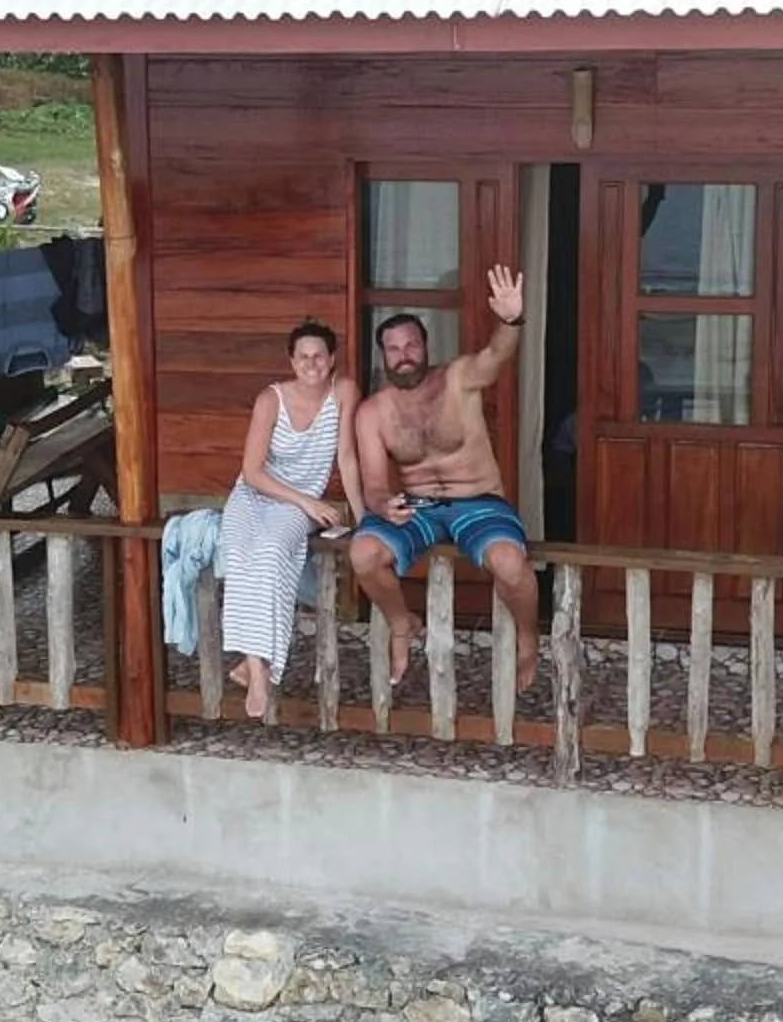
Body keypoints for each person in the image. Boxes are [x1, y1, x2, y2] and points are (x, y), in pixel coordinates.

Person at [349, 268, 541, 694]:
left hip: (479, 500)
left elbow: (495, 355)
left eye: (411, 345)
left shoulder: (457, 379)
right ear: (383, 356)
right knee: (363, 553)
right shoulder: (373, 412)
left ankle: (529, 639)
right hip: (418, 505)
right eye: (393, 348)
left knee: (510, 563)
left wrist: (511, 320)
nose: (403, 355)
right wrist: (383, 506)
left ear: (425, 347)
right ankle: (403, 623)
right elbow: (376, 485)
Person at [216, 320, 363, 718]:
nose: (311, 364)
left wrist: (363, 516)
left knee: (271, 551)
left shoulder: (344, 391)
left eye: (319, 356)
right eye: (303, 357)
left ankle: (255, 666)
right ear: (291, 360)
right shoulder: (271, 399)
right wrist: (307, 502)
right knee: (242, 554)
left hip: (297, 505)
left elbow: (347, 457)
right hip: (255, 494)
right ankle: (258, 667)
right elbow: (252, 471)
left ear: (332, 359)